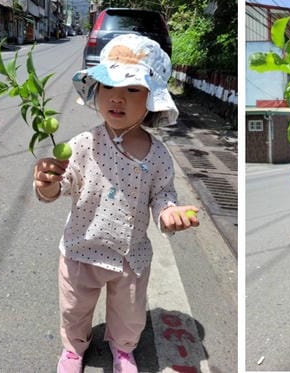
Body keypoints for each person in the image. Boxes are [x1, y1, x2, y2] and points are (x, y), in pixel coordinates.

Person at [32, 34, 200, 373]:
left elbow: (162, 194)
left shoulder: (158, 156)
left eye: (133, 89)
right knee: (74, 309)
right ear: (96, 90)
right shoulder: (84, 144)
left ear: (153, 100)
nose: (117, 98)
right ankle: (73, 349)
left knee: (130, 314)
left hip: (129, 257)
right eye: (108, 86)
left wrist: (169, 213)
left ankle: (123, 349)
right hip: (81, 249)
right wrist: (47, 185)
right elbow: (64, 184)